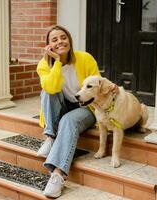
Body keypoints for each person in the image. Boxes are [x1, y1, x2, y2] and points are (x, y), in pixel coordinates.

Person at [36, 25, 100, 198]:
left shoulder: (85, 58)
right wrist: (56, 62)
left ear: (69, 40)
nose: (60, 42)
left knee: (69, 121)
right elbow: (51, 87)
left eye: (63, 37)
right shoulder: (43, 64)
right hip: (63, 106)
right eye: (54, 40)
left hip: (86, 107)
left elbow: (97, 88)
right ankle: (50, 136)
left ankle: (57, 175)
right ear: (48, 45)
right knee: (47, 91)